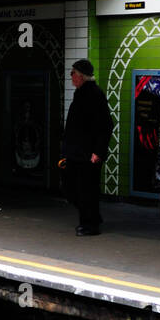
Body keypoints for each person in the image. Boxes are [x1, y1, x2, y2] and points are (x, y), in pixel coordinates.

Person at [61, 59, 113, 235]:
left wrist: (98, 152)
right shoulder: (81, 93)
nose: (71, 76)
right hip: (76, 152)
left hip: (87, 154)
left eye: (73, 73)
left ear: (81, 76)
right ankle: (93, 217)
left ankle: (90, 225)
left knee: (86, 190)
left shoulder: (93, 94)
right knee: (72, 188)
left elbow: (105, 125)